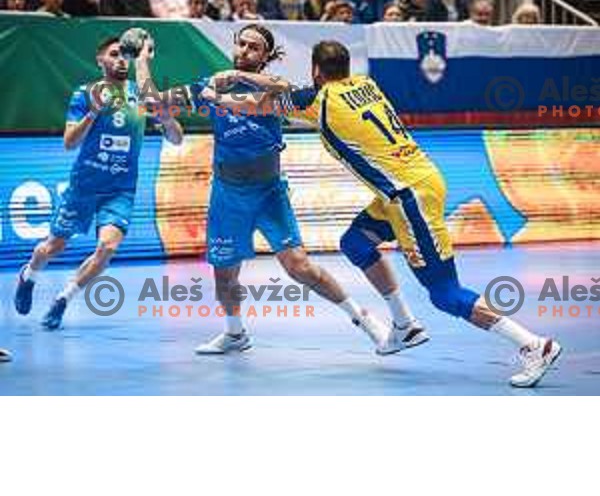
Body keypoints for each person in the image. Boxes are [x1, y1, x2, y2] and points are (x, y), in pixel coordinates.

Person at [211, 41, 563, 388]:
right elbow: (286, 88)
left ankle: (533, 345)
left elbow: (257, 106)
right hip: (412, 185)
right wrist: (244, 76)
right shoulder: (365, 84)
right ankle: (404, 324)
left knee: (445, 293)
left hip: (409, 199)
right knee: (355, 243)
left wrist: (217, 97)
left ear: (316, 71)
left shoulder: (319, 103)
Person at [134, 24, 398, 355]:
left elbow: (284, 85)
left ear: (265, 57)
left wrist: (228, 77)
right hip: (227, 195)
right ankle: (234, 334)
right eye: (240, 44)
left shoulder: (276, 93)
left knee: (300, 267)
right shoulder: (206, 87)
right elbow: (152, 103)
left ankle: (364, 319)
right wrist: (141, 60)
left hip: (268, 193)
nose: (244, 50)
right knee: (224, 275)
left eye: (253, 47)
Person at [14, 34, 183, 330]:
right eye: (114, 54)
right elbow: (69, 143)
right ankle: (27, 276)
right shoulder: (85, 93)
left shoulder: (141, 96)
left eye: (124, 55)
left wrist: (167, 119)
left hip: (120, 190)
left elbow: (176, 138)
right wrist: (93, 111)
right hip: (84, 186)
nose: (121, 60)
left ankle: (63, 299)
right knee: (52, 247)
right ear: (100, 60)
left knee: (107, 247)